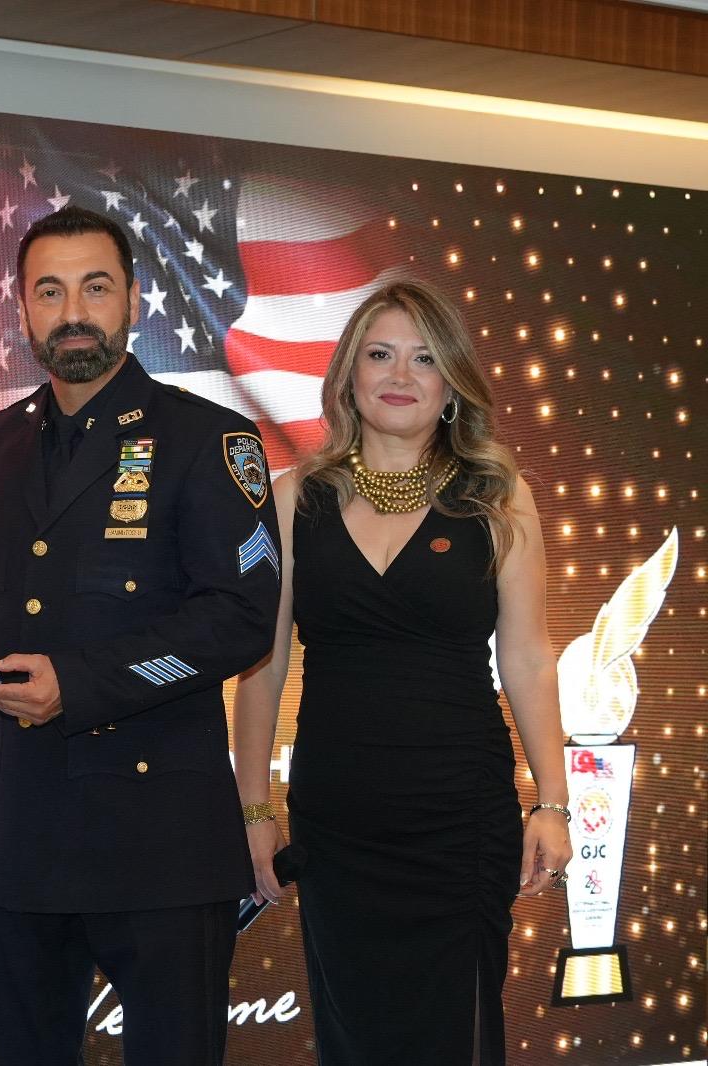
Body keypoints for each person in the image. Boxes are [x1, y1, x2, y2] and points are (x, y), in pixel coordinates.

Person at [0, 205, 281, 1064]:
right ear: (22, 308)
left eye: (95, 288)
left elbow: (240, 617)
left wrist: (80, 682)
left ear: (132, 299)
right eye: (49, 292)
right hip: (24, 836)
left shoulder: (209, 438)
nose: (73, 313)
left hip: (161, 841)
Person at [233, 278, 574, 1065]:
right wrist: (252, 812)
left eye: (424, 359)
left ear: (451, 384)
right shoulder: (292, 499)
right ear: (348, 375)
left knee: (459, 1038)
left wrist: (554, 802)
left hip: (461, 821)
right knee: (354, 1040)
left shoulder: (499, 497)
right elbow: (261, 667)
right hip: (338, 825)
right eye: (380, 354)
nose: (400, 375)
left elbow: (528, 658)